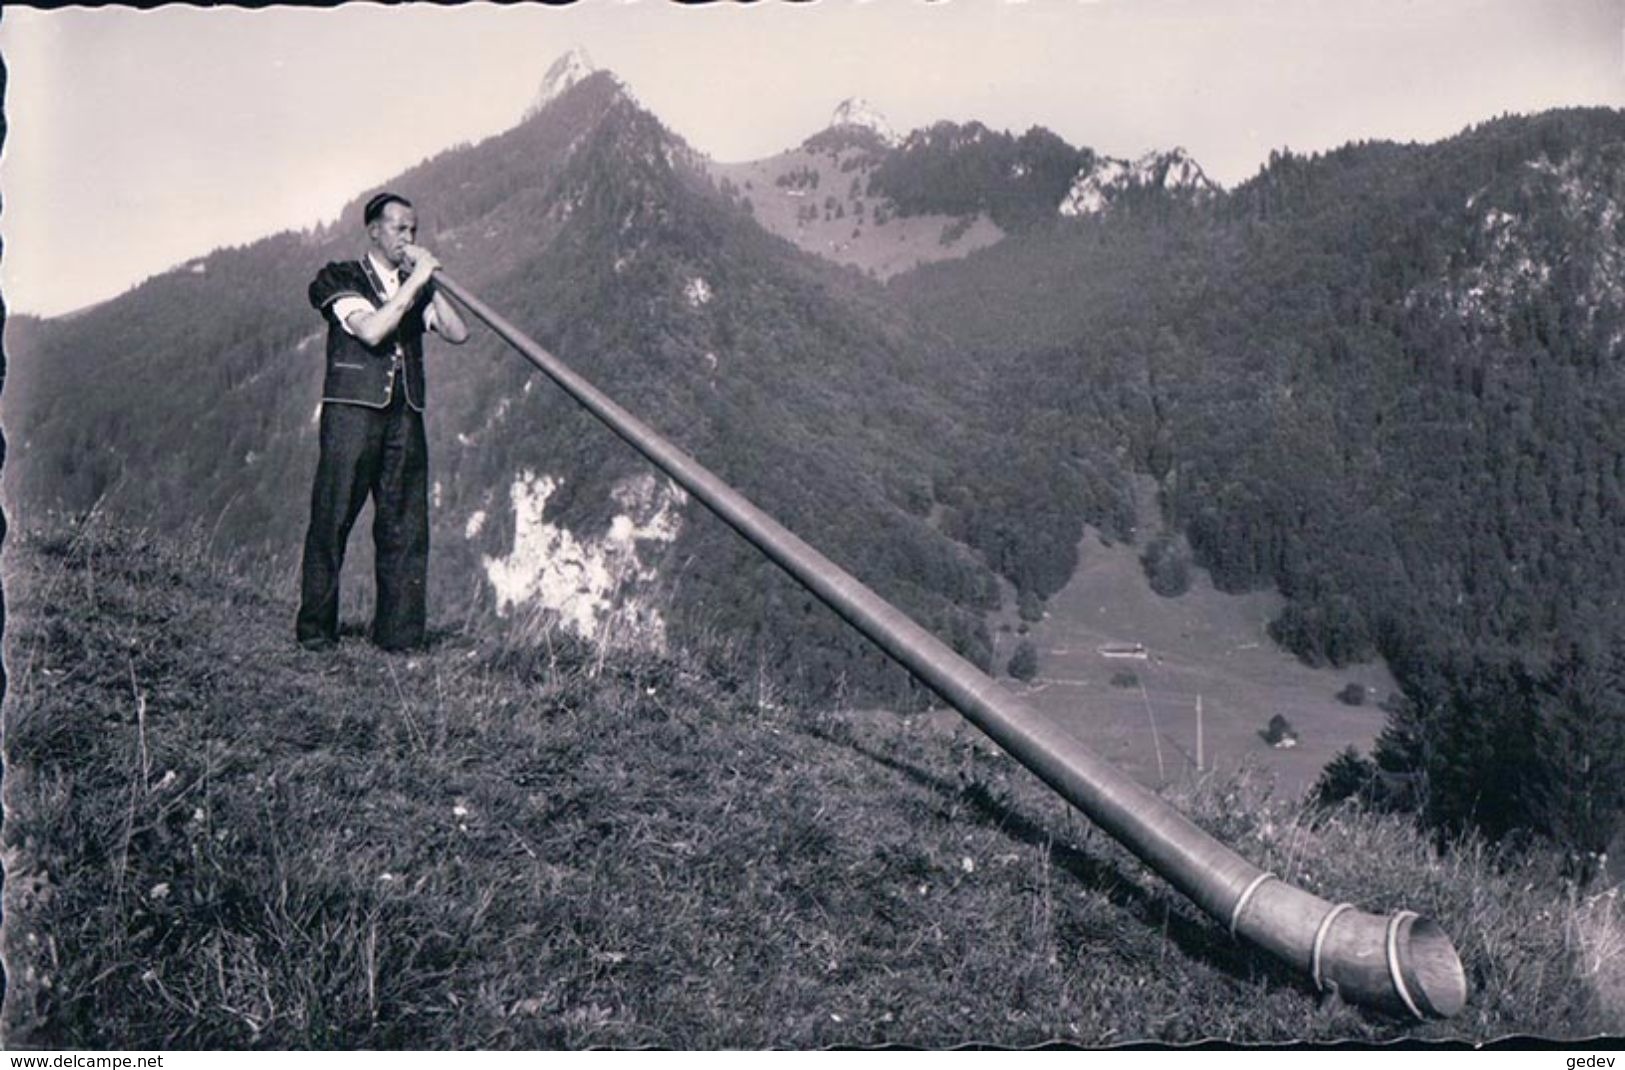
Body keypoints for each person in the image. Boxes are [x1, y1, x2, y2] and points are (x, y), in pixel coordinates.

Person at [296, 191, 469, 652]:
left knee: (405, 525)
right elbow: (371, 330)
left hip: (405, 414)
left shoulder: (416, 285)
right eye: (399, 229)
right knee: (332, 518)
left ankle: (400, 637)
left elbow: (458, 332)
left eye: (413, 230)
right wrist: (416, 287)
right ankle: (315, 633)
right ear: (374, 230)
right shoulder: (340, 278)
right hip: (352, 413)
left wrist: (429, 283)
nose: (407, 238)